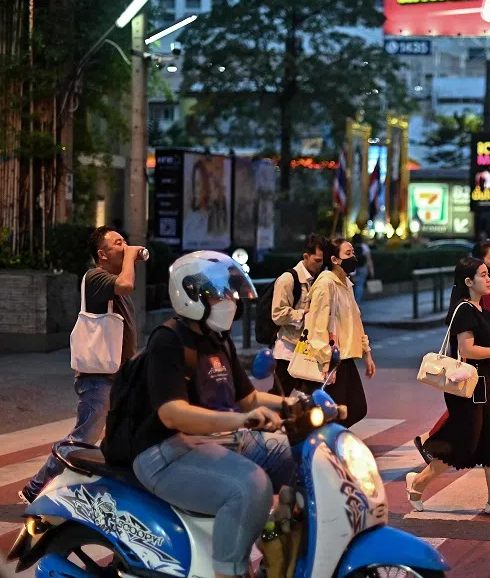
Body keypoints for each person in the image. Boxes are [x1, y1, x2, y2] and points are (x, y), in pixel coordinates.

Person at [130, 251, 295, 578]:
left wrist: (289, 404)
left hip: (217, 441)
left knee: (297, 460)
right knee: (250, 486)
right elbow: (172, 414)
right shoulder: (168, 341)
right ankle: (229, 571)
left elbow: (247, 399)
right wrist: (240, 421)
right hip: (164, 452)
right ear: (189, 295)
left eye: (230, 294)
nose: (229, 301)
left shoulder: (217, 338)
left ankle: (275, 547)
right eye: (219, 294)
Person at [20, 227, 143, 504]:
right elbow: (126, 284)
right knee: (82, 438)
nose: (125, 246)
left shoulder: (111, 280)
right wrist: (130, 258)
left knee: (118, 436)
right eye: (118, 243)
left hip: (118, 376)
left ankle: (101, 490)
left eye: (125, 241)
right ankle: (36, 486)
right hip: (98, 377)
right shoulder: (95, 277)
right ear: (102, 254)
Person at [406, 258, 490, 517]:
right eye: (483, 275)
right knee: (461, 443)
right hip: (467, 387)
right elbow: (466, 350)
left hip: (485, 383)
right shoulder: (464, 311)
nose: (489, 279)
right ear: (469, 282)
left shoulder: (484, 310)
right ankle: (417, 482)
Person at [301, 237, 376, 428]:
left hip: (346, 358)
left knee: (356, 408)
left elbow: (356, 321)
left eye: (353, 253)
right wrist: (326, 360)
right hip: (332, 360)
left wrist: (367, 353)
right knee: (336, 412)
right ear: (334, 260)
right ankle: (320, 445)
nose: (354, 258)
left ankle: (325, 441)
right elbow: (317, 325)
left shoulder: (346, 284)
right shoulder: (326, 284)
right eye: (348, 254)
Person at [270, 234, 328, 396]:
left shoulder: (321, 280)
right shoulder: (288, 280)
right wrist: (304, 314)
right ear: (306, 256)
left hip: (311, 351)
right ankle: (264, 419)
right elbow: (278, 314)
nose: (321, 265)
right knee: (280, 397)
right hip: (288, 350)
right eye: (317, 261)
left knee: (314, 399)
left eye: (324, 261)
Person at [350, 233, 375, 303]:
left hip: (353, 268)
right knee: (359, 285)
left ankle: (351, 301)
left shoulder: (350, 247)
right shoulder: (364, 247)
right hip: (363, 268)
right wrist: (371, 270)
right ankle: (357, 302)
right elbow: (369, 259)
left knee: (351, 286)